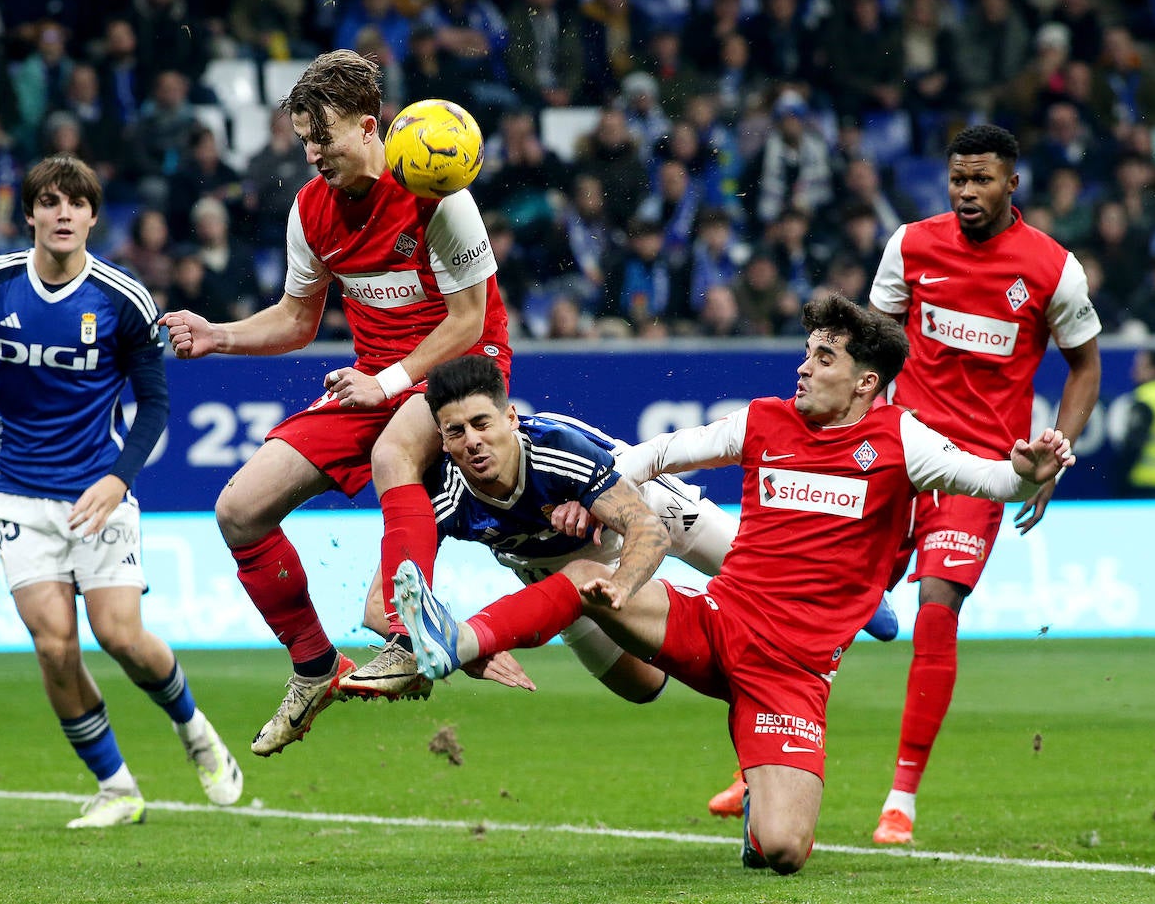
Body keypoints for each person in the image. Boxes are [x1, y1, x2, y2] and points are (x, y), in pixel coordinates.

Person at [395, 294, 1076, 875]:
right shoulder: (764, 419)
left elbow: (995, 481)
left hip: (793, 673)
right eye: (807, 351)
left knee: (783, 849)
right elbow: (658, 452)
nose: (804, 366)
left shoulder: (905, 442)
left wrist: (1027, 469)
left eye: (825, 358)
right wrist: (590, 488)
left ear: (867, 383)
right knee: (587, 577)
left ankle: (767, 780)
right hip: (718, 622)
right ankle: (455, 639)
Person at [157, 50, 510, 756]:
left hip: (466, 371)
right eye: (305, 141)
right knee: (239, 509)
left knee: (391, 449)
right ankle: (315, 666)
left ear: (369, 126)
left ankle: (413, 637)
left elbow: (470, 321)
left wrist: (385, 382)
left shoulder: (440, 188)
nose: (313, 154)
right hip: (377, 378)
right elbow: (296, 319)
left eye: (325, 138)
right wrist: (217, 334)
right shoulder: (312, 209)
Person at [0, 154, 243, 828]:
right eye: (49, 201)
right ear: (30, 214)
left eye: (76, 202)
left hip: (95, 491)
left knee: (120, 636)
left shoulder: (122, 297)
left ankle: (194, 728)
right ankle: (117, 786)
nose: (63, 213)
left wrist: (118, 478)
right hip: (16, 491)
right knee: (54, 645)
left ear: (93, 216)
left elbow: (156, 405)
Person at [866, 124, 1102, 845]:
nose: (967, 193)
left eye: (981, 180)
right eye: (958, 180)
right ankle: (761, 765)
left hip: (981, 469)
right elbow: (871, 348)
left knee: (937, 609)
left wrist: (1056, 453)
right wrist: (864, 431)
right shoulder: (910, 244)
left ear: (1012, 185)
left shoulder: (1051, 268)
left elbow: (1086, 366)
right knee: (825, 597)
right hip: (900, 452)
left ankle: (900, 797)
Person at [354, 353, 740, 702]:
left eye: (481, 423)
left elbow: (648, 529)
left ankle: (688, 602)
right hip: (553, 570)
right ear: (442, 441)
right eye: (456, 431)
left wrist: (622, 584)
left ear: (510, 419)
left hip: (648, 508)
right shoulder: (443, 498)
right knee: (642, 687)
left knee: (767, 576)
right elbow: (378, 608)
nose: (472, 441)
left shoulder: (554, 451)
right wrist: (460, 649)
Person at [1117, 349, 1155, 498]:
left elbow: (1133, 445)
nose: (1133, 372)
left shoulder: (1146, 398)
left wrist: (1120, 479)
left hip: (1151, 484)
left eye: (1140, 367)